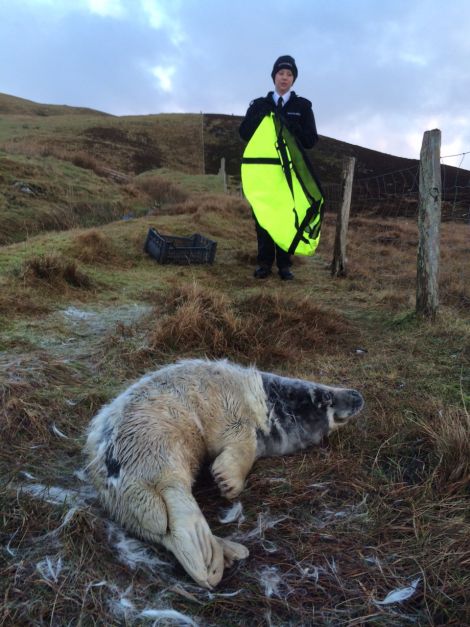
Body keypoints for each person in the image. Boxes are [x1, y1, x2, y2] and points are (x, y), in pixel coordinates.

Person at [239, 55, 319, 280]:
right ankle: (264, 263)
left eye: (289, 74)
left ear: (294, 79)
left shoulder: (302, 107)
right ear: (274, 76)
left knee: (286, 216)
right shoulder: (259, 104)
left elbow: (311, 140)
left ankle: (285, 265)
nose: (285, 78)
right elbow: (244, 133)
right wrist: (260, 119)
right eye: (281, 73)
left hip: (289, 175)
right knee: (263, 217)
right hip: (264, 173)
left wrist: (291, 126)